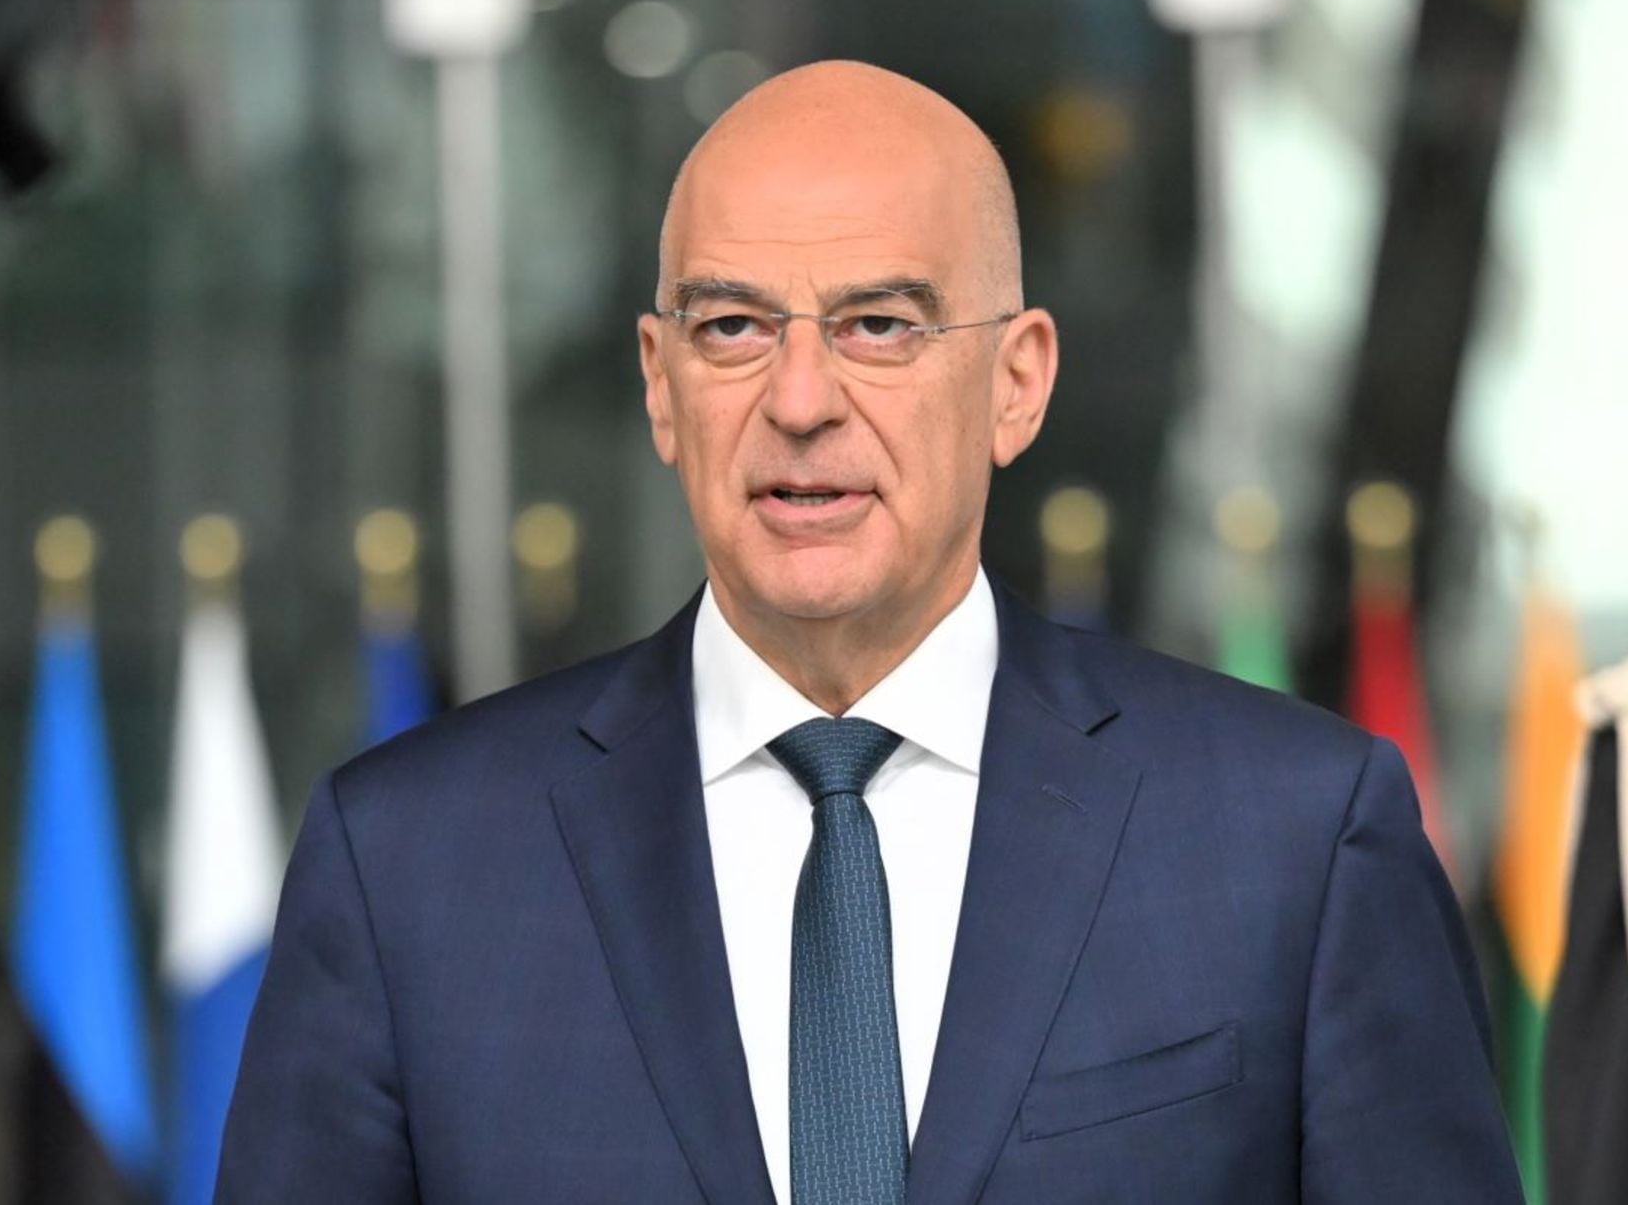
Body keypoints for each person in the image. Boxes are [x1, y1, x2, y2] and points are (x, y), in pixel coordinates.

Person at [217, 61, 1520, 1204]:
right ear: (661, 386)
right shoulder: (408, 870)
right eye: (733, 327)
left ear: (1017, 382)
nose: (800, 399)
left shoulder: (1297, 838)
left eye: (879, 326)